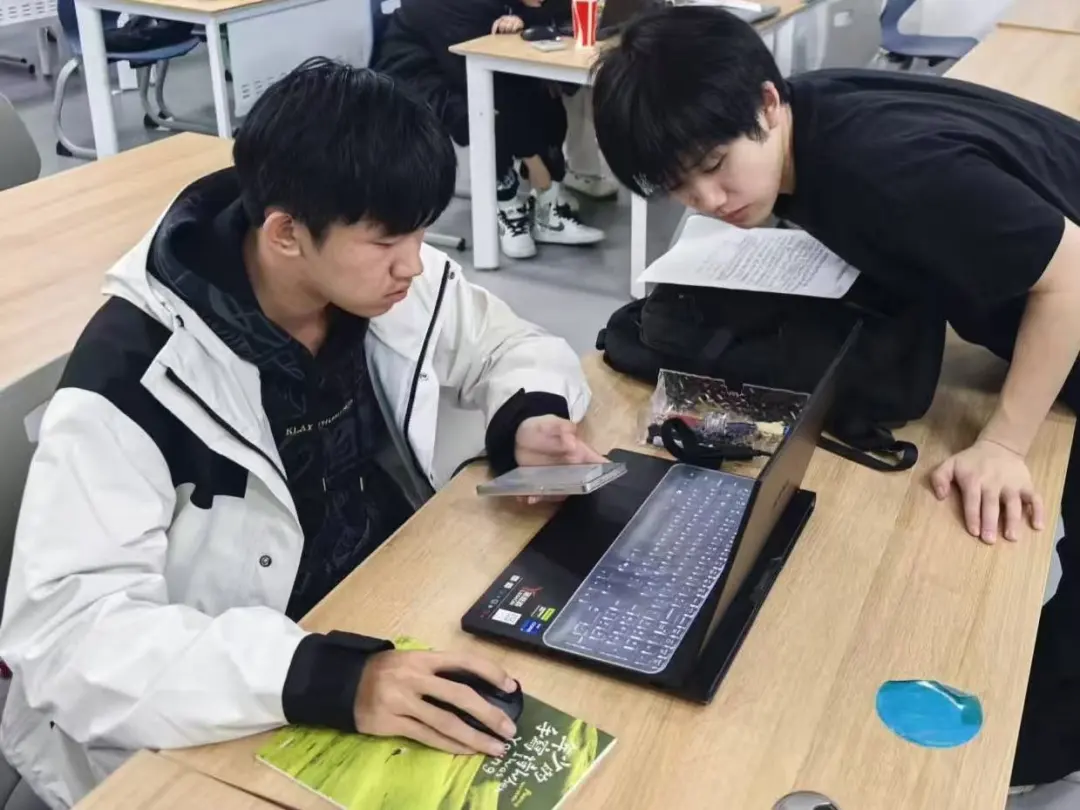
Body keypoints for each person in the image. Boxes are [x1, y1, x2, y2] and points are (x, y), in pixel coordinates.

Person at [0, 58, 604, 809]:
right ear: (286, 233)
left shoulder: (378, 277)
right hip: (226, 706)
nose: (414, 264)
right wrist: (327, 679)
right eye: (389, 241)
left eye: (420, 233)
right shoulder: (134, 376)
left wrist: (527, 414)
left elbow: (507, 343)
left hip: (379, 616)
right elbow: (66, 640)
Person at [590, 5, 1080, 797]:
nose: (708, 198)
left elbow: (1070, 274)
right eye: (679, 184)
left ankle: (1020, 764)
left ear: (766, 102)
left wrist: (1004, 441)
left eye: (715, 164)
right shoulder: (810, 120)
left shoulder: (884, 168)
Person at [373, 0, 611, 260]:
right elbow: (473, 76)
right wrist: (535, 165)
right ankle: (509, 207)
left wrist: (526, 17)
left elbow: (557, 8)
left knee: (543, 100)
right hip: (415, 74)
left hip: (458, 61)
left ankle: (547, 213)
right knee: (485, 110)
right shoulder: (451, 8)